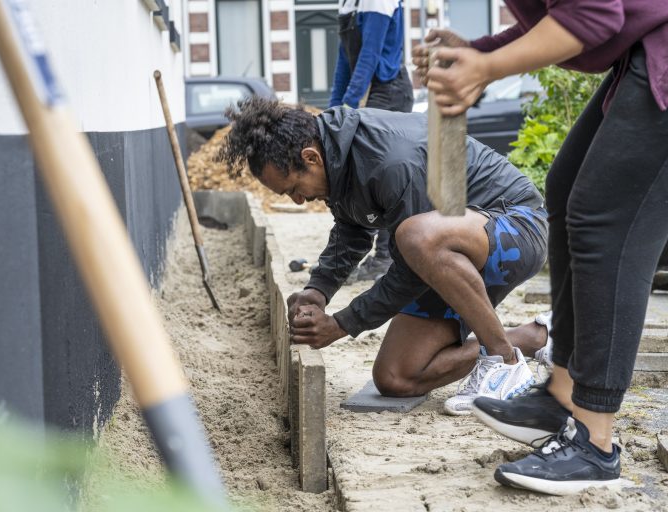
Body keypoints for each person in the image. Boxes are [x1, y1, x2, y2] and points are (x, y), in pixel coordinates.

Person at [414, 1, 668, 495]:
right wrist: (478, 52)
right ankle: (563, 395)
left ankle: (595, 443)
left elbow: (593, 18)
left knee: (606, 223)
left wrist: (485, 68)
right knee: (567, 186)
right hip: (643, 47)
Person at [217, 97, 552, 414]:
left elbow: (411, 268)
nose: (297, 201)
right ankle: (534, 337)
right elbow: (352, 230)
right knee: (397, 378)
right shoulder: (337, 156)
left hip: (516, 229)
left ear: (311, 158)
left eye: (292, 188)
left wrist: (342, 324)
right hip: (450, 255)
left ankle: (504, 363)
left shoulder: (392, 160)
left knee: (414, 236)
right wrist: (317, 290)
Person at [330, 0, 413, 282]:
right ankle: (353, 257)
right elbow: (345, 60)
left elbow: (369, 55)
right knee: (355, 178)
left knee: (381, 180)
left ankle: (385, 259)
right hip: (368, 90)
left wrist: (349, 105)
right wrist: (334, 110)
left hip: (388, 91)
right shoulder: (347, 2)